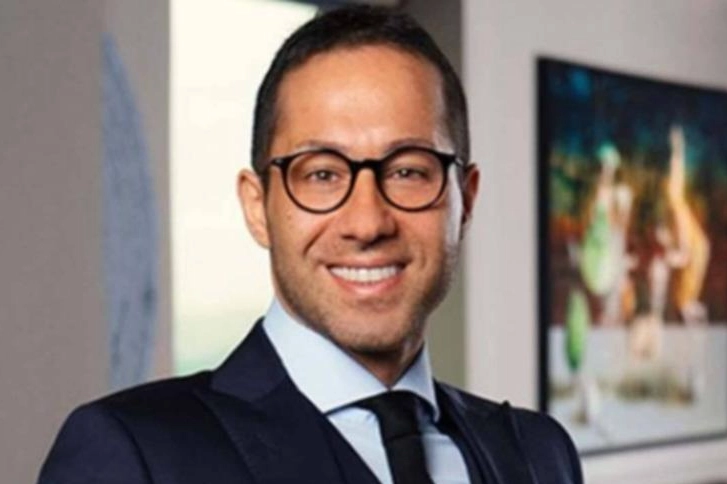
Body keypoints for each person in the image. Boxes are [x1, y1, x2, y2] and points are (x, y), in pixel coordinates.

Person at [39, 6, 582, 484]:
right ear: (258, 206)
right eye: (322, 174)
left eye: (408, 171)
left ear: (465, 200)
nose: (367, 223)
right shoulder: (135, 457)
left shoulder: (540, 454)